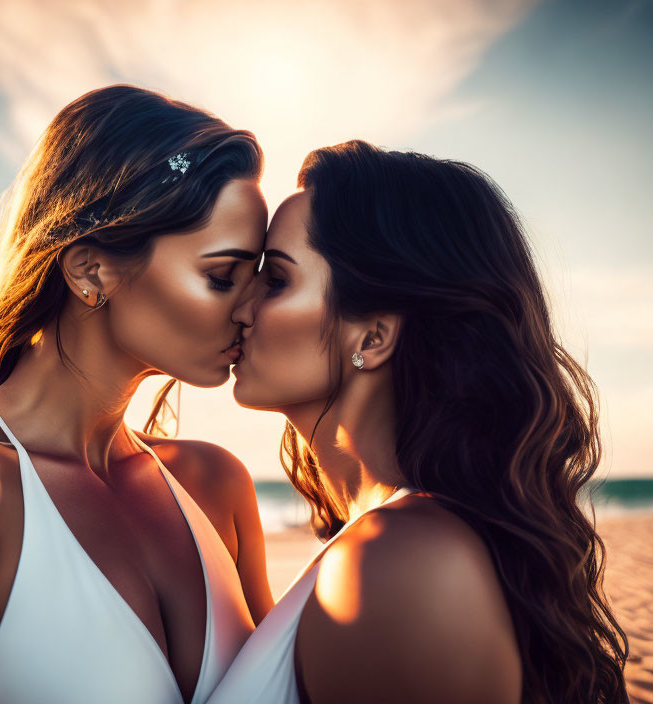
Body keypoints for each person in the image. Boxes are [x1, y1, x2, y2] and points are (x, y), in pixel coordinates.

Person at [0, 85, 274, 704]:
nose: (253, 309)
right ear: (91, 270)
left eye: (259, 280)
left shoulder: (215, 485)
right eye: (222, 277)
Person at [209, 140, 628, 703]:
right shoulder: (387, 540)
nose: (239, 308)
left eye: (277, 281)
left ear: (374, 337)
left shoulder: (397, 562)